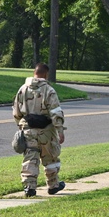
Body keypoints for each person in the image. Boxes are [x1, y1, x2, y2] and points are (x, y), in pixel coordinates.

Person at [12, 63, 66, 197]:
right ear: (46, 74)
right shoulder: (49, 90)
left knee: (30, 157)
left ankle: (29, 187)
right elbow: (56, 112)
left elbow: (16, 112)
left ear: (34, 72)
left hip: (28, 129)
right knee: (50, 158)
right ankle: (53, 185)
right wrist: (60, 131)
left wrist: (21, 125)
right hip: (46, 131)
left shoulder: (22, 89)